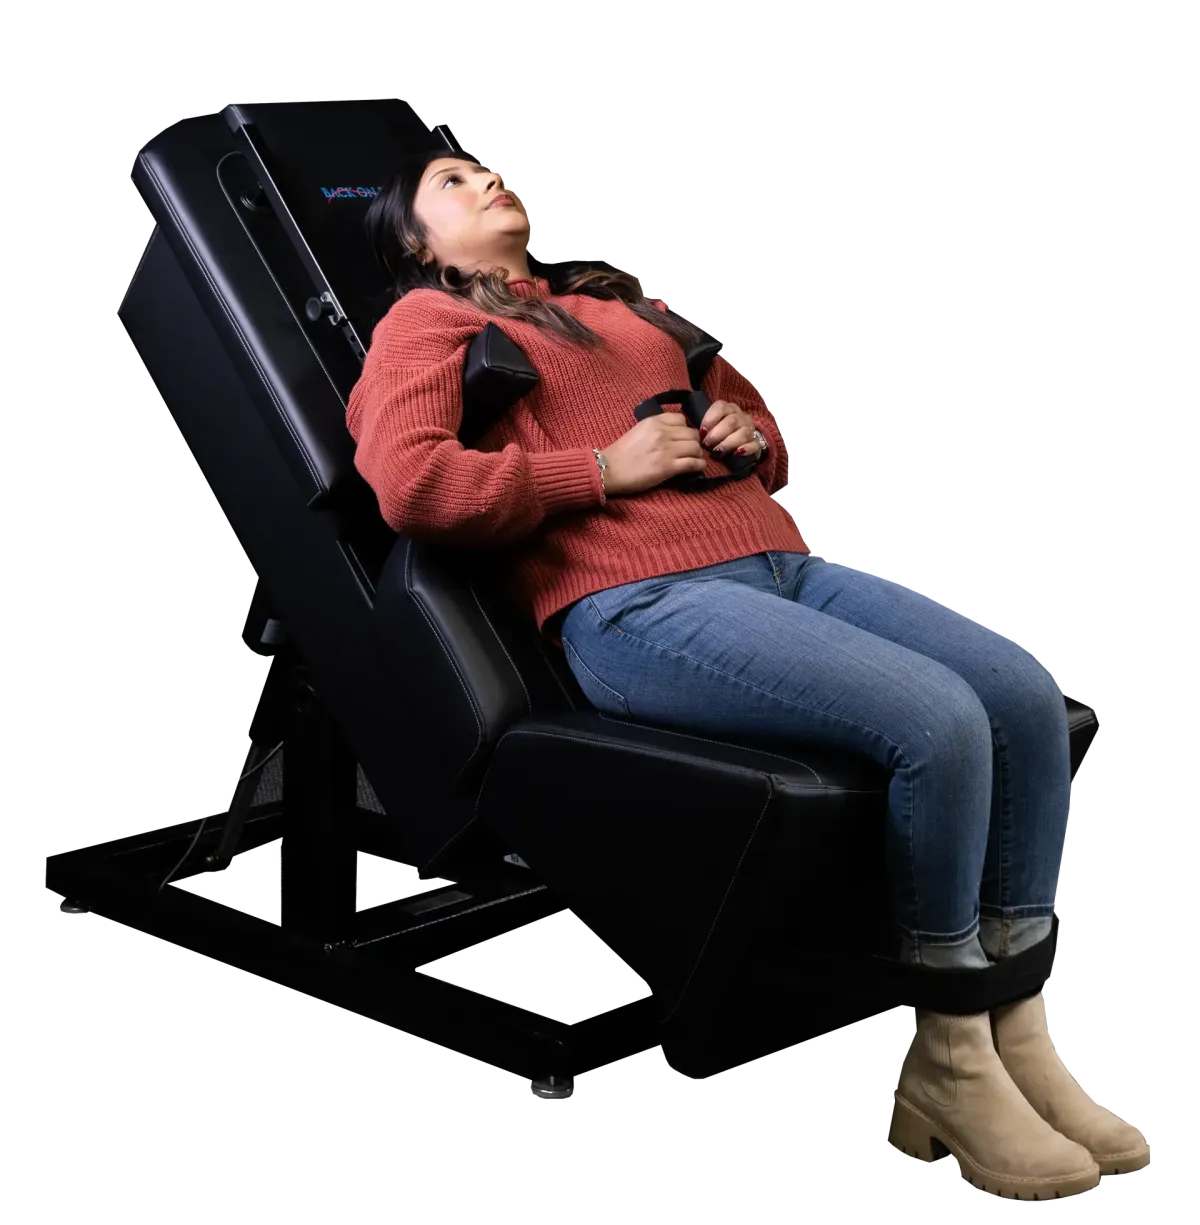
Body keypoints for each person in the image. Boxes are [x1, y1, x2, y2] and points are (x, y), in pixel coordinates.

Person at [348, 149, 1151, 1197]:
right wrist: (598, 469)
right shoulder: (429, 323)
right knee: (941, 721)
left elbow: (755, 437)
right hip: (638, 603)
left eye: (491, 168)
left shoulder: (613, 305)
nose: (490, 178)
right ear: (418, 243)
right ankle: (950, 1063)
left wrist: (743, 432)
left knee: (1025, 698)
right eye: (452, 182)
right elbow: (410, 484)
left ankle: (1022, 1036)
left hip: (777, 562)